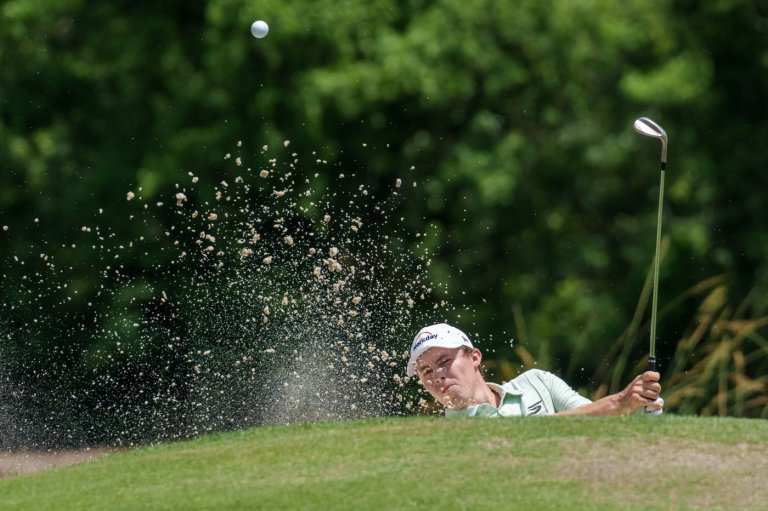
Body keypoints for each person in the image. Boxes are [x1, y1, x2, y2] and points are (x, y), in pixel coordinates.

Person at [407, 323, 663, 417]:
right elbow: (529, 434)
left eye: (443, 362)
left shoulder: (535, 381)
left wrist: (643, 406)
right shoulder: (451, 433)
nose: (437, 376)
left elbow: (593, 417)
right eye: (426, 372)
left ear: (474, 357)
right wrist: (618, 402)